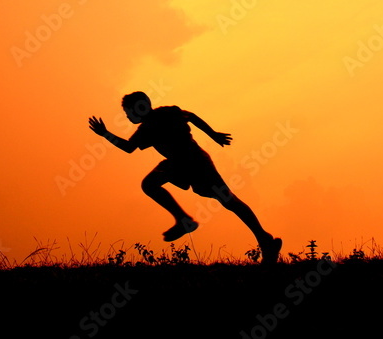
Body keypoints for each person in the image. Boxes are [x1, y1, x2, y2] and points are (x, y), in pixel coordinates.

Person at [88, 91, 282, 264]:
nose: (127, 117)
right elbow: (192, 117)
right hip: (180, 163)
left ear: (136, 109)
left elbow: (129, 148)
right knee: (152, 184)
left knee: (227, 200)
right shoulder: (158, 119)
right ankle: (185, 220)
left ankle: (264, 240)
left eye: (127, 112)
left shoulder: (156, 121)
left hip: (195, 162)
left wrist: (105, 133)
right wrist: (213, 134)